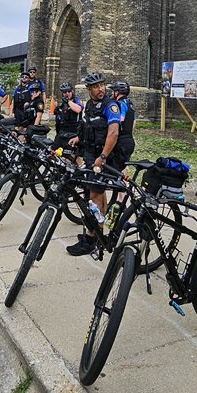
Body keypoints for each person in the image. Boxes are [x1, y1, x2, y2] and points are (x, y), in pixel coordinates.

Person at [66, 71, 123, 256]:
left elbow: (113, 133)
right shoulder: (89, 106)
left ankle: (91, 239)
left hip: (102, 157)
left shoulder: (110, 106)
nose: (101, 89)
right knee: (97, 194)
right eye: (96, 86)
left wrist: (103, 157)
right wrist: (78, 138)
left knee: (94, 198)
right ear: (89, 89)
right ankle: (98, 233)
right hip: (90, 154)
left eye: (102, 85)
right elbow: (87, 127)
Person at [110, 81, 136, 168]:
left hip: (121, 142)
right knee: (122, 169)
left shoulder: (120, 104)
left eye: (113, 91)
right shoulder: (130, 104)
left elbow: (120, 119)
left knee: (113, 170)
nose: (111, 93)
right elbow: (133, 123)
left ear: (117, 92)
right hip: (129, 140)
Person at [53, 82, 83, 150]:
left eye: (69, 91)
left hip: (73, 133)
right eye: (65, 92)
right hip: (62, 132)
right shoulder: (62, 104)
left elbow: (78, 109)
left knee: (71, 155)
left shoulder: (76, 100)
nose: (67, 93)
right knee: (53, 152)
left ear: (72, 91)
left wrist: (68, 102)